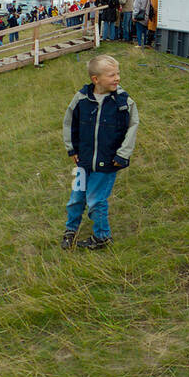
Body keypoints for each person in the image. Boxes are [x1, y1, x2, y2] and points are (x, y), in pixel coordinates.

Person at [61, 54, 136, 250]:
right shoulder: (81, 99)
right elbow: (69, 123)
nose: (117, 78)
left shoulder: (123, 102)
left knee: (95, 200)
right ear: (96, 79)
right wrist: (72, 149)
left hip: (107, 164)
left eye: (118, 74)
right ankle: (71, 229)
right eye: (112, 75)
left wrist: (123, 155)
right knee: (76, 198)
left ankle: (102, 237)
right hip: (82, 162)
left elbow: (132, 128)